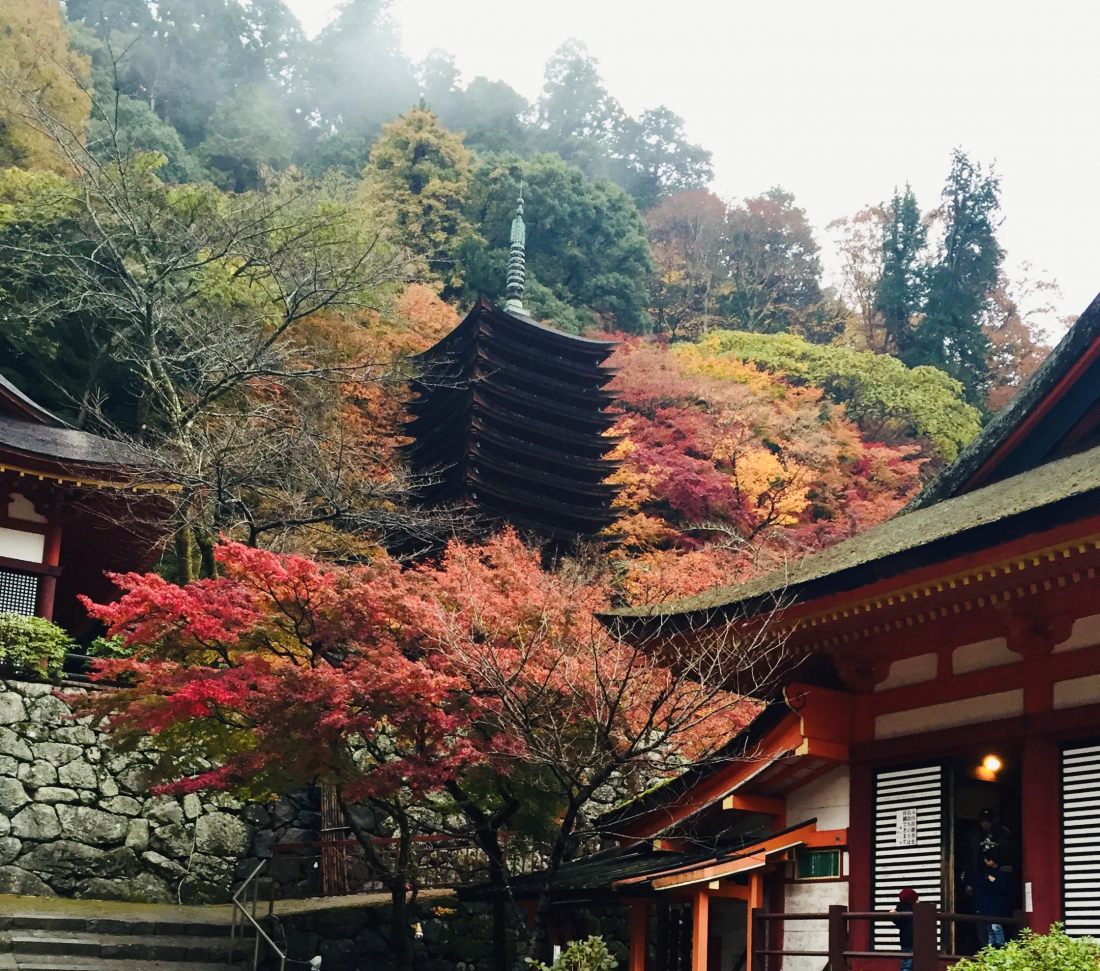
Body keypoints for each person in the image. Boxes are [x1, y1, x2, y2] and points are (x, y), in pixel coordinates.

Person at [962, 808, 1013, 948]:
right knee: (982, 917)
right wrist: (969, 882)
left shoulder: (1003, 834)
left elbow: (1009, 857)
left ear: (993, 821)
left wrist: (1002, 869)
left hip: (998, 877)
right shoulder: (973, 836)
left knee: (997, 919)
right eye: (982, 821)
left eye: (987, 821)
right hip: (980, 879)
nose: (984, 824)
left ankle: (1000, 947)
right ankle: (985, 947)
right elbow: (968, 860)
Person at [974, 848, 1015, 949]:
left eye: (987, 860)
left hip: (996, 904)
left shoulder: (1001, 873)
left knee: (996, 927)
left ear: (992, 860)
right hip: (989, 904)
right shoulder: (987, 873)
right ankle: (991, 947)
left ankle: (1000, 946)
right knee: (990, 928)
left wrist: (993, 881)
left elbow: (1001, 887)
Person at [891, 887, 918, 971]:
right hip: (913, 941)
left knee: (907, 962)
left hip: (905, 941)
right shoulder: (912, 910)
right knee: (908, 964)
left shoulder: (898, 911)